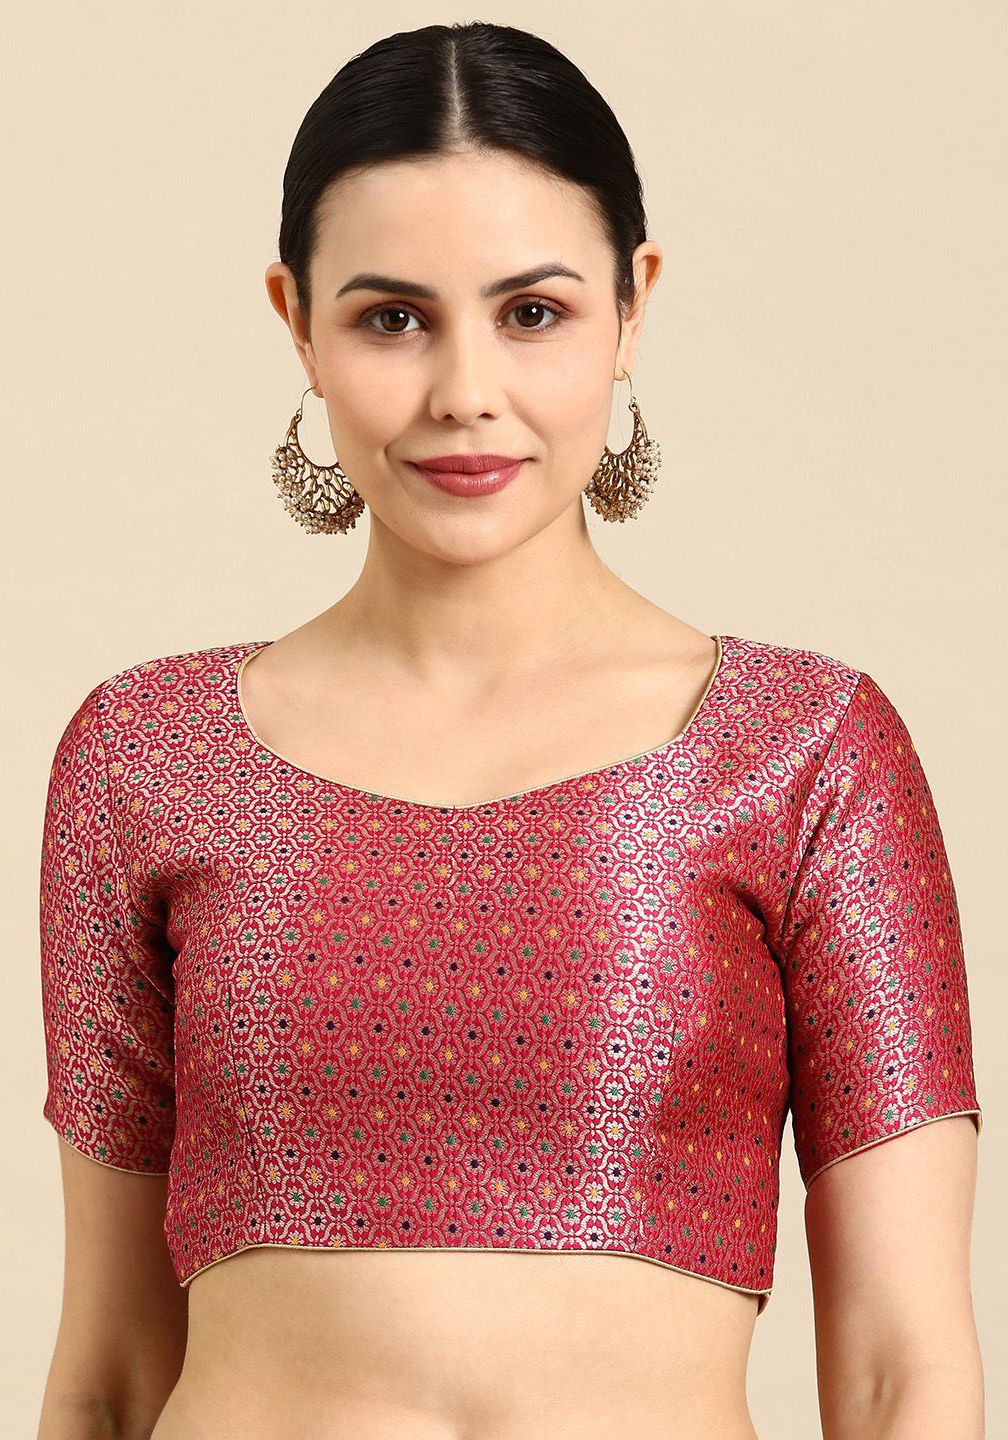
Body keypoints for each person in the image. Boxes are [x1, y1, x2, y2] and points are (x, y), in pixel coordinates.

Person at [36, 21, 984, 1440]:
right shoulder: (146, 756)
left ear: (633, 305)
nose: (464, 392)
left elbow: (902, 1375)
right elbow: (111, 1373)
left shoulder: (804, 753)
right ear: (297, 322)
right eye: (391, 318)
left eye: (532, 313)